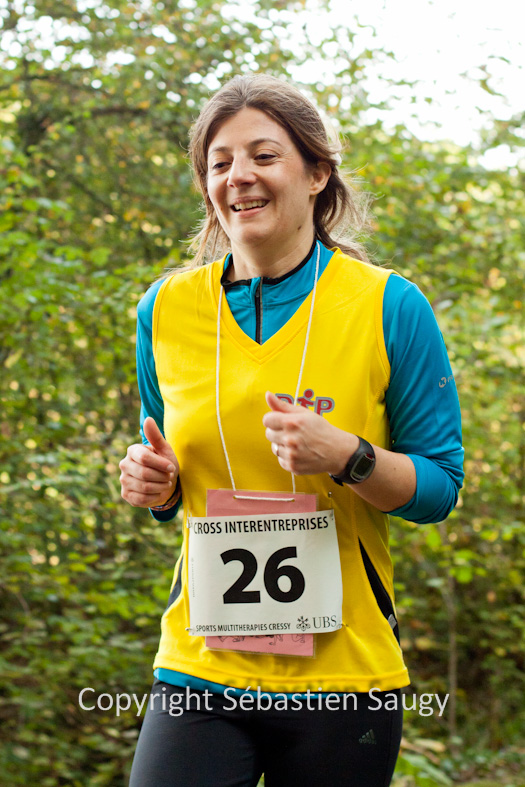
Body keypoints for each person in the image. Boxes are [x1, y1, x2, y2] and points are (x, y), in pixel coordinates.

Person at [119, 74, 464, 787]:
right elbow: (169, 467)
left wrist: (349, 456)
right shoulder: (165, 310)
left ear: (316, 173)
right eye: (219, 162)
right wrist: (157, 484)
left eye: (264, 155)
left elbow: (439, 488)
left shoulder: (389, 305)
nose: (238, 176)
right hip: (201, 664)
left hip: (344, 675)